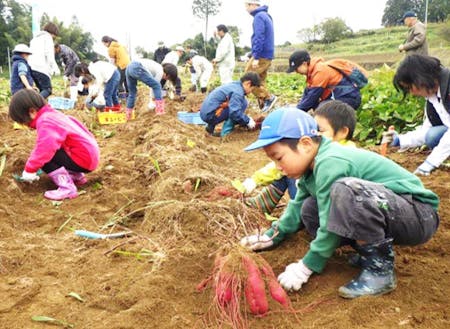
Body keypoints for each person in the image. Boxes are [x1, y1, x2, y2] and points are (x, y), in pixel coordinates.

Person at [240, 107, 439, 299]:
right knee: (310, 208)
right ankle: (367, 253)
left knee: (346, 191)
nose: (278, 167)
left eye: (279, 158)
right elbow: (296, 206)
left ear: (306, 144)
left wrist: (306, 266)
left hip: (418, 214)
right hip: (391, 211)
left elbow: (329, 223)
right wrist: (271, 236)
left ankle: (379, 271)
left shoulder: (330, 162)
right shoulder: (311, 169)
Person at [243, 100, 356, 214]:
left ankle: (284, 211)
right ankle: (263, 203)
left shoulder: (339, 157)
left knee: (290, 169)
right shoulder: (318, 151)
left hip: (328, 209)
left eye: (319, 130)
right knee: (288, 168)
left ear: (342, 132)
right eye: (313, 128)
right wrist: (255, 179)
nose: (315, 133)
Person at [9, 89, 100, 200]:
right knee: (55, 151)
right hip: (89, 156)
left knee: (45, 159)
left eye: (24, 122)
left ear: (32, 112)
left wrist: (30, 169)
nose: (26, 125)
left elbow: (45, 149)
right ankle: (77, 176)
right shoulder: (53, 114)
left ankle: (67, 188)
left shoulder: (45, 120)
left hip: (83, 159)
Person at [383, 54, 450, 176]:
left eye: (410, 87)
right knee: (433, 135)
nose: (412, 93)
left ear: (421, 78)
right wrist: (400, 140)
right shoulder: (432, 97)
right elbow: (427, 131)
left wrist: (431, 162)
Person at [287, 49, 363, 111]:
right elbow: (307, 93)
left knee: (322, 112)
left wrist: (296, 112)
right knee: (318, 109)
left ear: (304, 64)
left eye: (296, 69)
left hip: (348, 98)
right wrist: (298, 108)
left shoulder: (320, 71)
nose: (296, 72)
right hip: (338, 97)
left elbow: (312, 97)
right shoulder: (311, 73)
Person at [200, 72, 260, 137]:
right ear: (248, 83)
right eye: (252, 89)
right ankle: (226, 134)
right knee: (242, 105)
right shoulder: (238, 92)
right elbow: (234, 112)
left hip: (206, 112)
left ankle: (210, 129)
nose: (251, 92)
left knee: (239, 103)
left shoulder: (235, 84)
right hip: (210, 115)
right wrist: (248, 121)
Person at [244, 0, 277, 113]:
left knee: (247, 78)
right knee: (260, 80)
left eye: (246, 6)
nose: (246, 9)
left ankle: (268, 98)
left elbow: (259, 37)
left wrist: (256, 56)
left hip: (262, 54)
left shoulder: (258, 16)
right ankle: (264, 105)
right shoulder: (266, 15)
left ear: (252, 4)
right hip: (267, 54)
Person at [28, 22, 60, 99]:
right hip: (41, 68)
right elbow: (49, 55)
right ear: (53, 32)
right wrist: (55, 68)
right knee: (47, 90)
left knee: (41, 90)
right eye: (54, 35)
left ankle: (39, 108)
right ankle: (33, 104)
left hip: (31, 68)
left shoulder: (34, 39)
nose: (54, 37)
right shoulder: (47, 37)